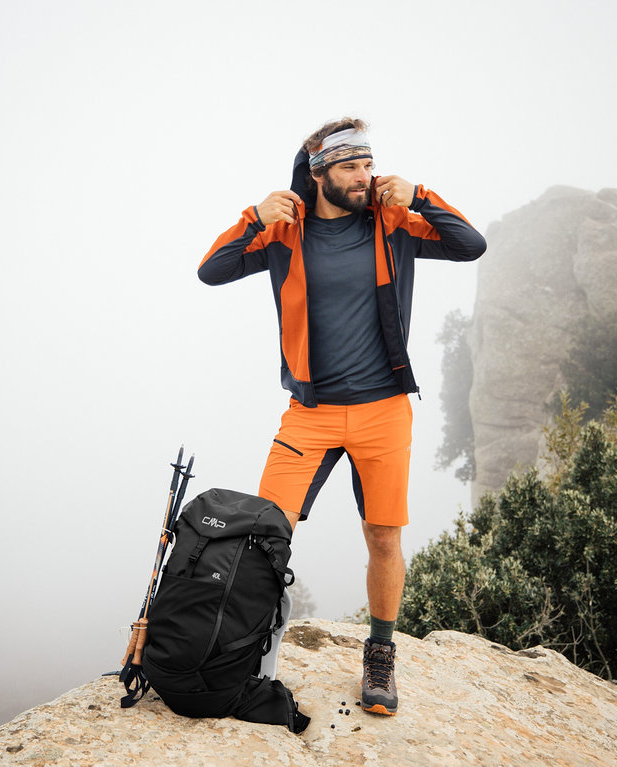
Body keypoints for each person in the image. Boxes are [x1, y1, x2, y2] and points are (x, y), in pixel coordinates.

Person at [198, 118, 486, 716]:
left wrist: (424, 196)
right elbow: (213, 269)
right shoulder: (285, 233)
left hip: (384, 410)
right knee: (263, 537)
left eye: (368, 164)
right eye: (351, 166)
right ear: (320, 173)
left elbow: (469, 244)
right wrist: (253, 215)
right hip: (310, 412)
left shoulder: (394, 225)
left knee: (383, 536)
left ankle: (379, 655)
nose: (365, 176)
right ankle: (247, 658)